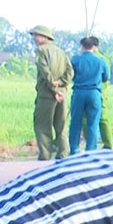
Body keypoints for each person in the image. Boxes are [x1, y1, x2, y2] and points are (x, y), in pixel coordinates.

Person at [29, 26, 74, 160]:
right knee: (61, 126)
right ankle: (63, 154)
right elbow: (70, 72)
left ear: (44, 37)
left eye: (36, 35)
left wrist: (54, 89)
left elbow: (45, 72)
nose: (34, 39)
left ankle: (45, 156)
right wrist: (61, 86)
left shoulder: (41, 51)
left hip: (46, 95)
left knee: (42, 127)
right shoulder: (61, 52)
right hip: (62, 95)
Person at [68, 36, 110, 154]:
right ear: (94, 47)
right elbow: (106, 77)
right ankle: (91, 149)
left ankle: (74, 149)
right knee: (93, 122)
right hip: (94, 93)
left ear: (82, 46)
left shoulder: (75, 60)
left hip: (79, 92)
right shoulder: (101, 61)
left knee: (76, 121)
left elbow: (70, 74)